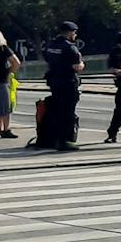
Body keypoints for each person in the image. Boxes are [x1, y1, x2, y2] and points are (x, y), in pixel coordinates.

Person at [32, 19, 84, 150]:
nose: (75, 35)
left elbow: (48, 60)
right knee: (68, 112)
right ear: (70, 33)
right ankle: (66, 140)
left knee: (57, 110)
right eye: (74, 33)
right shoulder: (70, 47)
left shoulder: (51, 45)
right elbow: (77, 67)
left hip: (54, 82)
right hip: (68, 83)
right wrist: (82, 63)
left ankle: (54, 138)